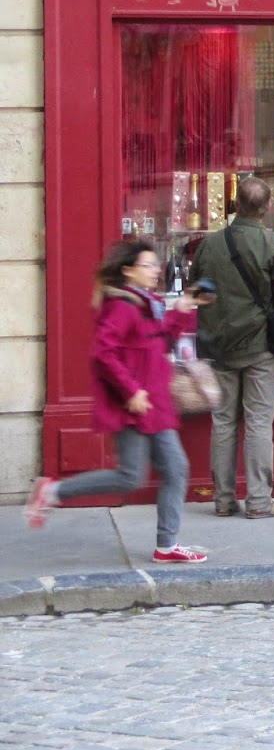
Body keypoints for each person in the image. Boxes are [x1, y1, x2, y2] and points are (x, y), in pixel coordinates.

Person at [24, 240, 211, 562]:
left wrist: (183, 308)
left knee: (176, 468)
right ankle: (52, 492)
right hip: (134, 407)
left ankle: (166, 546)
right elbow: (103, 354)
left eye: (155, 265)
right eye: (148, 265)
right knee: (130, 476)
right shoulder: (123, 307)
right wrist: (131, 392)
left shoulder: (147, 303)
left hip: (155, 404)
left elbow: (159, 341)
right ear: (128, 271)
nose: (155, 270)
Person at [191, 174, 274, 518]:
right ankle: (259, 501)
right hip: (260, 346)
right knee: (258, 424)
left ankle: (223, 500)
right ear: (267, 208)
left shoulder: (209, 244)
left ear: (236, 204)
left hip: (220, 346)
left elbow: (196, 291)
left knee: (223, 422)